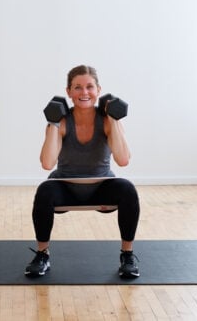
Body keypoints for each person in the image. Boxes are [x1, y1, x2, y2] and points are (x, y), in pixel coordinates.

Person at [25, 65, 141, 278]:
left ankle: (127, 255)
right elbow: (47, 163)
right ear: (68, 92)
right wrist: (52, 122)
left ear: (98, 90)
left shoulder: (107, 121)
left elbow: (123, 160)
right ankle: (42, 255)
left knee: (127, 189)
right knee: (44, 191)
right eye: (77, 87)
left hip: (101, 186)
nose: (84, 93)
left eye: (89, 87)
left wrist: (113, 119)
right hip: (65, 187)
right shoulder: (61, 122)